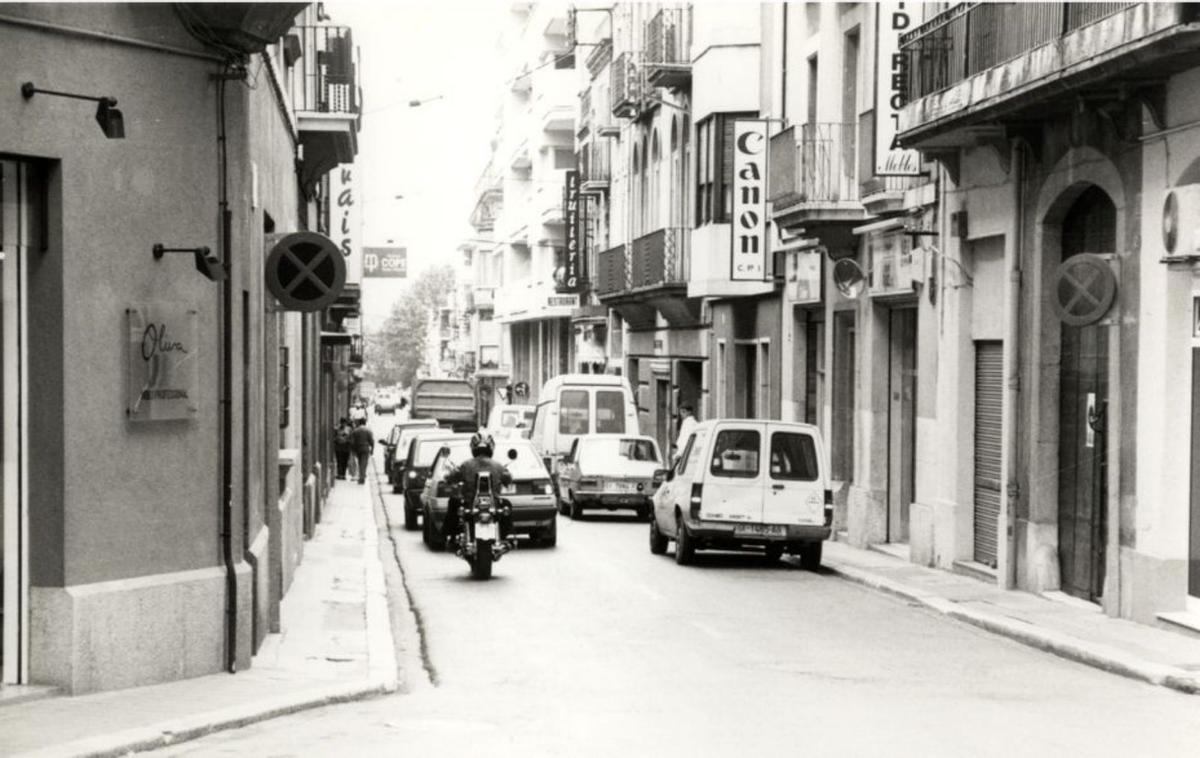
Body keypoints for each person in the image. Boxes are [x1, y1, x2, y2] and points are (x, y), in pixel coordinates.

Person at [441, 432, 513, 545]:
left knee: (453, 502)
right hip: (493, 504)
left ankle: (451, 536)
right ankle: (504, 537)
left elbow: (451, 477)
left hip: (470, 503)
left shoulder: (466, 465)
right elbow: (508, 479)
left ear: (473, 448)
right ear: (491, 448)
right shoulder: (498, 466)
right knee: (507, 506)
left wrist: (448, 478)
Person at [349, 418, 375, 485]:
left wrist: (353, 450)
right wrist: (372, 449)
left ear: (359, 423)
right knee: (364, 463)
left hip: (358, 448)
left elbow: (352, 442)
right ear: (365, 423)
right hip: (365, 448)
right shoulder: (368, 431)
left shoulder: (355, 431)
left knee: (360, 463)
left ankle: (361, 476)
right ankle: (362, 477)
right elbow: (372, 441)